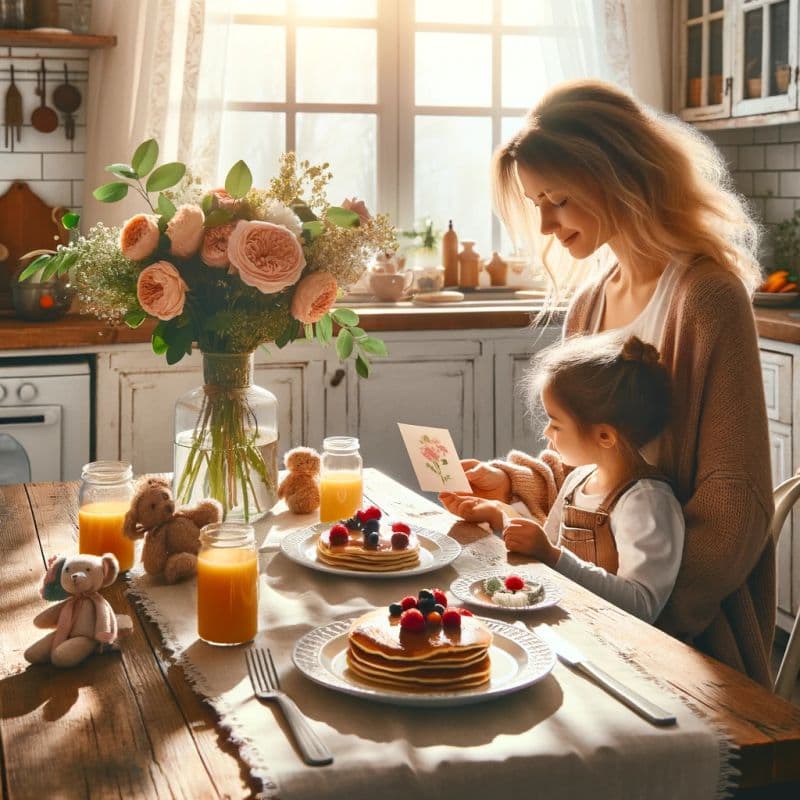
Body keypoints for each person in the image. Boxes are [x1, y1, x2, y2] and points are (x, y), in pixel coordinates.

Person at [442, 79, 775, 686]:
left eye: (558, 199)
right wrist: (516, 483)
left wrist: (625, 620)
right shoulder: (591, 303)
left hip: (682, 640)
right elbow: (592, 471)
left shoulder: (707, 297)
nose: (545, 225)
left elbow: (733, 516)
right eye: (536, 202)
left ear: (620, 176)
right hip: (587, 611)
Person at [444, 333, 684, 623]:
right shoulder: (578, 480)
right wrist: (499, 515)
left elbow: (642, 604)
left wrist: (553, 556)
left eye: (556, 424)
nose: (547, 433)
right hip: (572, 623)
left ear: (605, 436)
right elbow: (546, 543)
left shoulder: (646, 501)